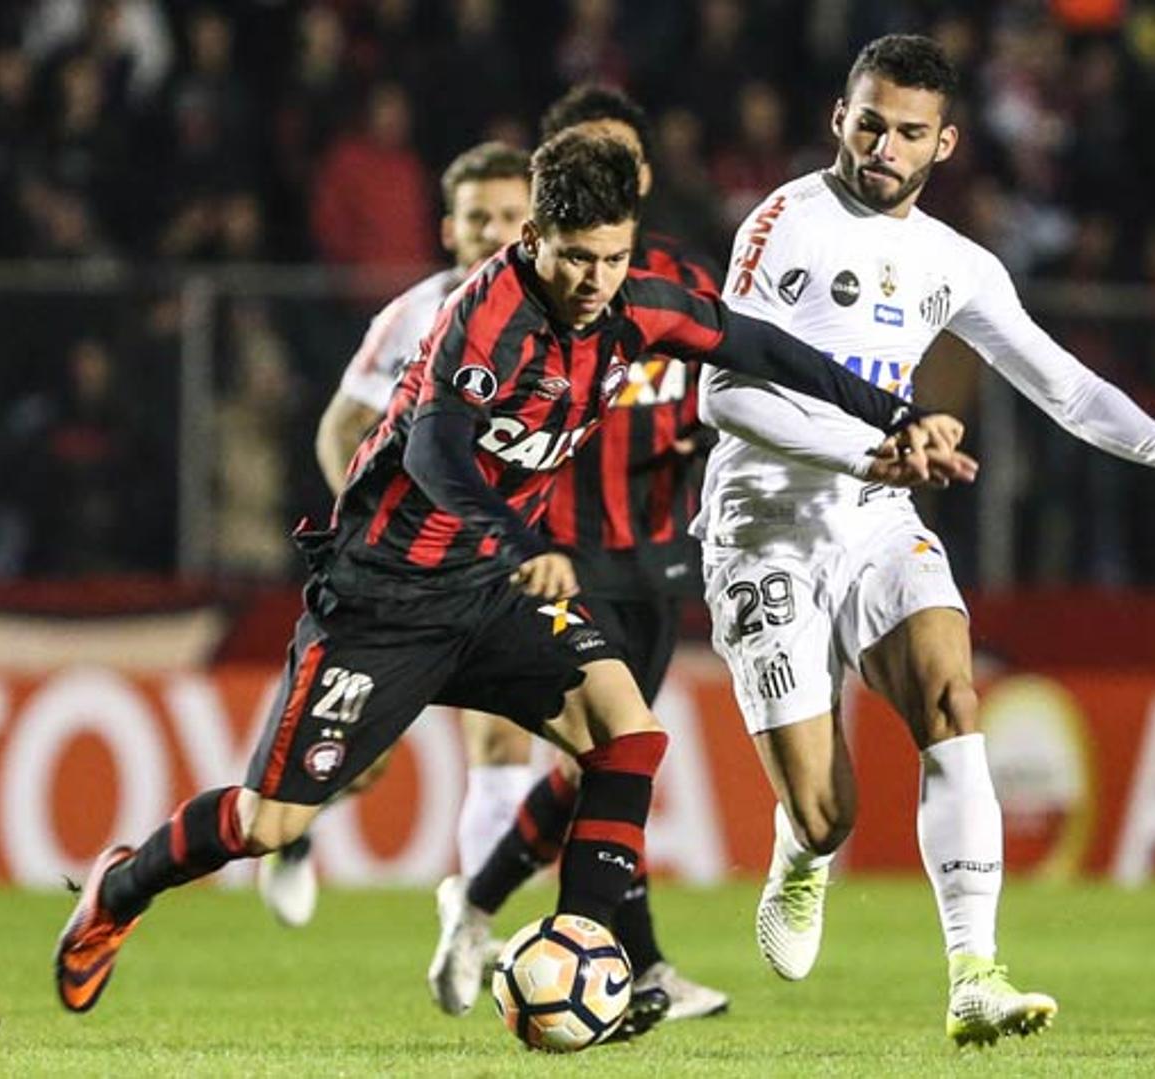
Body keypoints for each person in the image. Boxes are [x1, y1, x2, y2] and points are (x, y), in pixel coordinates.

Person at [54, 129, 960, 1015]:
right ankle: (119, 890)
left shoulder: (632, 306)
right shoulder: (486, 322)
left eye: (611, 258)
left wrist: (895, 413)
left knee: (628, 735)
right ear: (533, 240)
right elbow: (437, 458)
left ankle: (583, 947)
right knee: (269, 823)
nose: (593, 279)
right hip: (384, 600)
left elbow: (755, 344)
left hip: (489, 593)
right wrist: (527, 547)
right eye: (574, 258)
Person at [699, 35, 1155, 1047]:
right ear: (841, 116)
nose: (884, 145)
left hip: (880, 513)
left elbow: (1062, 385)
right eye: (870, 121)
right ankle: (805, 853)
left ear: (947, 143)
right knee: (828, 809)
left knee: (949, 691)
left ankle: (975, 972)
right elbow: (725, 390)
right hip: (769, 520)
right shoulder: (783, 222)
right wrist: (871, 448)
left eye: (909, 132)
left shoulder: (956, 263)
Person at [428, 85, 729, 1030]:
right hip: (557, 551)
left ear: (642, 174)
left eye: (624, 155)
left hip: (654, 550)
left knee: (597, 762)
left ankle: (476, 902)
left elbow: (725, 393)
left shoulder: (668, 281)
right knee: (608, 749)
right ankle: (628, 961)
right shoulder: (529, 294)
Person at [253, 140, 532, 928]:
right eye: (479, 217)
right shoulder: (411, 315)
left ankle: (475, 936)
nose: (494, 231)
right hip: (405, 570)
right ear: (450, 228)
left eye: (511, 216)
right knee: (362, 761)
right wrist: (375, 525)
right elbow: (339, 428)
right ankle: (292, 831)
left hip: (493, 566)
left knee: (506, 747)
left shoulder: (555, 317)